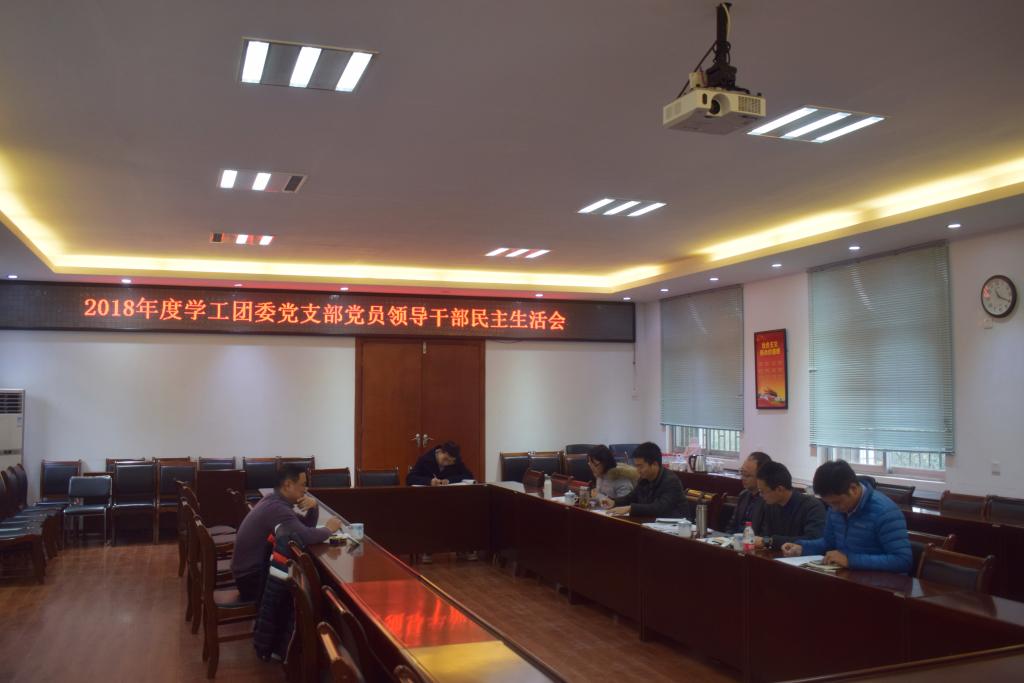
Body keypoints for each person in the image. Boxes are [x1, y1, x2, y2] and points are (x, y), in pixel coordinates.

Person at [231, 464, 342, 603]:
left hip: (249, 575)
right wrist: (329, 529)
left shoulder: (274, 500)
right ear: (288, 485)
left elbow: (303, 528)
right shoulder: (277, 508)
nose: (306, 490)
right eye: (303, 485)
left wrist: (313, 507)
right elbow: (306, 536)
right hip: (252, 580)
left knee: (307, 580)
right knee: (313, 588)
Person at [782, 460, 912, 573]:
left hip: (881, 584)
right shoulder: (835, 509)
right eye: (829, 504)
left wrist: (850, 560)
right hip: (848, 576)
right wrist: (802, 548)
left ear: (853, 489)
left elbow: (903, 561)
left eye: (837, 503)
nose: (834, 508)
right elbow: (828, 543)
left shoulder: (885, 512)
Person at [752, 461, 825, 550]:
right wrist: (768, 541)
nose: (760, 495)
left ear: (779, 489)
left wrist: (770, 542)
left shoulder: (812, 507)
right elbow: (766, 536)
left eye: (762, 491)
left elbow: (813, 539)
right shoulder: (770, 505)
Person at [602, 442, 684, 517]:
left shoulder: (671, 481)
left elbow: (659, 507)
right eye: (636, 466)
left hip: (676, 524)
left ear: (654, 464)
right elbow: (631, 497)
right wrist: (614, 502)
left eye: (640, 466)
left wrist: (630, 508)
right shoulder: (644, 479)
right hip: (651, 522)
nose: (637, 470)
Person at [726, 451, 772, 534]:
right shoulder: (744, 495)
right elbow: (732, 526)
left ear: (762, 476)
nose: (743, 478)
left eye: (747, 475)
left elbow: (765, 534)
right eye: (742, 473)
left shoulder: (769, 500)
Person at [407, 441, 474, 486]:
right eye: (445, 459)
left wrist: (449, 480)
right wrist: (429, 481)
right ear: (439, 451)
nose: (446, 463)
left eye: (451, 462)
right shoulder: (425, 459)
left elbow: (469, 476)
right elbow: (410, 478)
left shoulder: (456, 461)